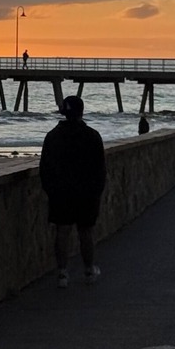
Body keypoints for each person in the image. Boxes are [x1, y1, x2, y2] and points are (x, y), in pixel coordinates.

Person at [40, 95, 107, 288]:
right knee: (85, 232)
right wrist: (96, 191)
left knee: (62, 231)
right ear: (81, 112)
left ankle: (62, 273)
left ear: (63, 113)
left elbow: (45, 167)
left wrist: (50, 190)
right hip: (86, 193)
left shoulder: (52, 136)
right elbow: (99, 169)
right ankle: (89, 270)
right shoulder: (92, 136)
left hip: (61, 192)